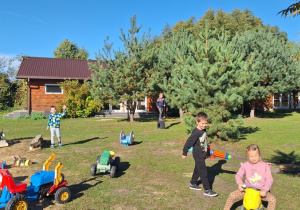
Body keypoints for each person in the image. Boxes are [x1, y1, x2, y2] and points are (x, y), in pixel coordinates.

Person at [224, 144, 276, 210]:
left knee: (272, 199)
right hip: (247, 190)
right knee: (232, 195)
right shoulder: (245, 165)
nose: (254, 158)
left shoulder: (265, 166)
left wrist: (265, 190)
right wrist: (240, 184)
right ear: (248, 157)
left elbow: (269, 179)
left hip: (260, 191)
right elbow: (238, 175)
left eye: (255, 156)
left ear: (259, 155)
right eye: (251, 156)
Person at [182, 112, 218, 197]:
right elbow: (188, 143)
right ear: (197, 122)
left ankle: (193, 183)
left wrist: (206, 151)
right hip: (198, 154)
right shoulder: (196, 133)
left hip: (202, 153)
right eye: (202, 123)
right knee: (203, 172)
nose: (204, 125)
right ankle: (207, 190)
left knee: (197, 169)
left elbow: (203, 141)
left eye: (206, 123)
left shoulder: (203, 130)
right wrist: (184, 153)